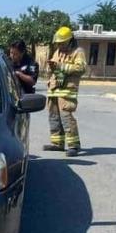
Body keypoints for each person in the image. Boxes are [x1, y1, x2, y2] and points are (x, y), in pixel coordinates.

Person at [44, 26, 86, 157]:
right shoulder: (57, 52)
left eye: (62, 43)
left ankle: (74, 146)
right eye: (58, 43)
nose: (59, 45)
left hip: (67, 91)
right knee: (53, 117)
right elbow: (53, 67)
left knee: (66, 117)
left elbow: (81, 68)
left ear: (69, 40)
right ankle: (57, 143)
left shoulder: (78, 52)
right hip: (54, 89)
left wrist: (62, 66)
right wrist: (50, 67)